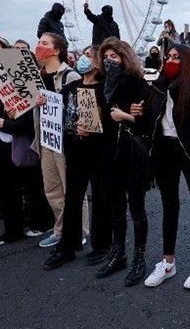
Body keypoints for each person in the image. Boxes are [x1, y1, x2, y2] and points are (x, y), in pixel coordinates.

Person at [65, 39, 151, 284]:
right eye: (106, 56)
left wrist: (125, 116)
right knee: (115, 208)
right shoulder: (103, 87)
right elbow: (97, 121)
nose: (110, 60)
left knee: (136, 208)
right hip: (108, 153)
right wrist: (86, 127)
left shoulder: (138, 84)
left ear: (125, 57)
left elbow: (148, 124)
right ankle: (118, 252)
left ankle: (139, 258)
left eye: (115, 55)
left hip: (131, 153)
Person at [139, 44, 190, 289]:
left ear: (187, 62)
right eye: (168, 57)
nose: (171, 61)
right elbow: (151, 120)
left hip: (189, 153)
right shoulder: (158, 87)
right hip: (164, 150)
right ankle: (167, 261)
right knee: (168, 205)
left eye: (177, 58)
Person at [43, 46, 111, 270]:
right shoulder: (72, 87)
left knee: (101, 197)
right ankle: (68, 246)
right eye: (83, 54)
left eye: (89, 56)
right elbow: (57, 108)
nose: (83, 58)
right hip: (74, 149)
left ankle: (102, 245)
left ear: (98, 63)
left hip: (98, 150)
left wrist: (95, 129)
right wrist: (44, 102)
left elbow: (111, 122)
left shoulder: (105, 90)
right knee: (72, 197)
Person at [33, 32, 83, 248]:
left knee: (71, 189)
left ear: (56, 50)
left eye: (44, 43)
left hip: (65, 141)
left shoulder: (70, 77)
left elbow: (78, 109)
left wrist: (56, 102)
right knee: (51, 189)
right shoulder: (36, 76)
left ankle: (78, 230)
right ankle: (60, 229)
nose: (39, 46)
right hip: (45, 138)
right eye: (39, 42)